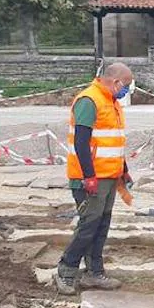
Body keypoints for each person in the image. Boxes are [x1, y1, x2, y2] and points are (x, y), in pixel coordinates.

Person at [53, 62, 135, 295]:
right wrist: (89, 176)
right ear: (116, 81)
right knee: (88, 225)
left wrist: (123, 169)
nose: (127, 90)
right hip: (91, 178)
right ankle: (66, 270)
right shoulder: (89, 101)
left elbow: (113, 140)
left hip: (109, 176)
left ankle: (94, 272)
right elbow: (81, 142)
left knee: (101, 225)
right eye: (126, 85)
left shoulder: (112, 102)